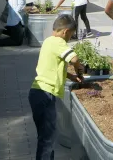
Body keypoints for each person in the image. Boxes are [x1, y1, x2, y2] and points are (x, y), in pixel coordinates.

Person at [29, 13, 84, 160]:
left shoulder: (48, 41)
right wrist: (79, 68)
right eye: (71, 35)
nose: (69, 38)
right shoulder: (58, 42)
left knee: (45, 136)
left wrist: (71, 76)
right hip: (45, 94)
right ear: (65, 32)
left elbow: (53, 67)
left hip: (38, 93)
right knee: (47, 138)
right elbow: (74, 58)